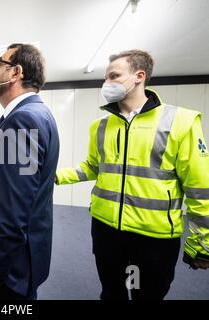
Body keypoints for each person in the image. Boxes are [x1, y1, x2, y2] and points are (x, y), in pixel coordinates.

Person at [55, 49, 209, 300]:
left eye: (113, 76)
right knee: (112, 293)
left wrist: (203, 242)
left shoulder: (181, 121)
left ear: (139, 76)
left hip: (153, 238)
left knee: (144, 296)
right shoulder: (101, 125)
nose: (106, 83)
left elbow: (199, 188)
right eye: (105, 78)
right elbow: (93, 167)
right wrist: (54, 176)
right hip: (106, 231)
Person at [0, 43, 60, 300]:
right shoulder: (35, 113)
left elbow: (11, 218)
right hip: (23, 263)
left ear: (15, 72)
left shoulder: (23, 120)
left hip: (8, 274)